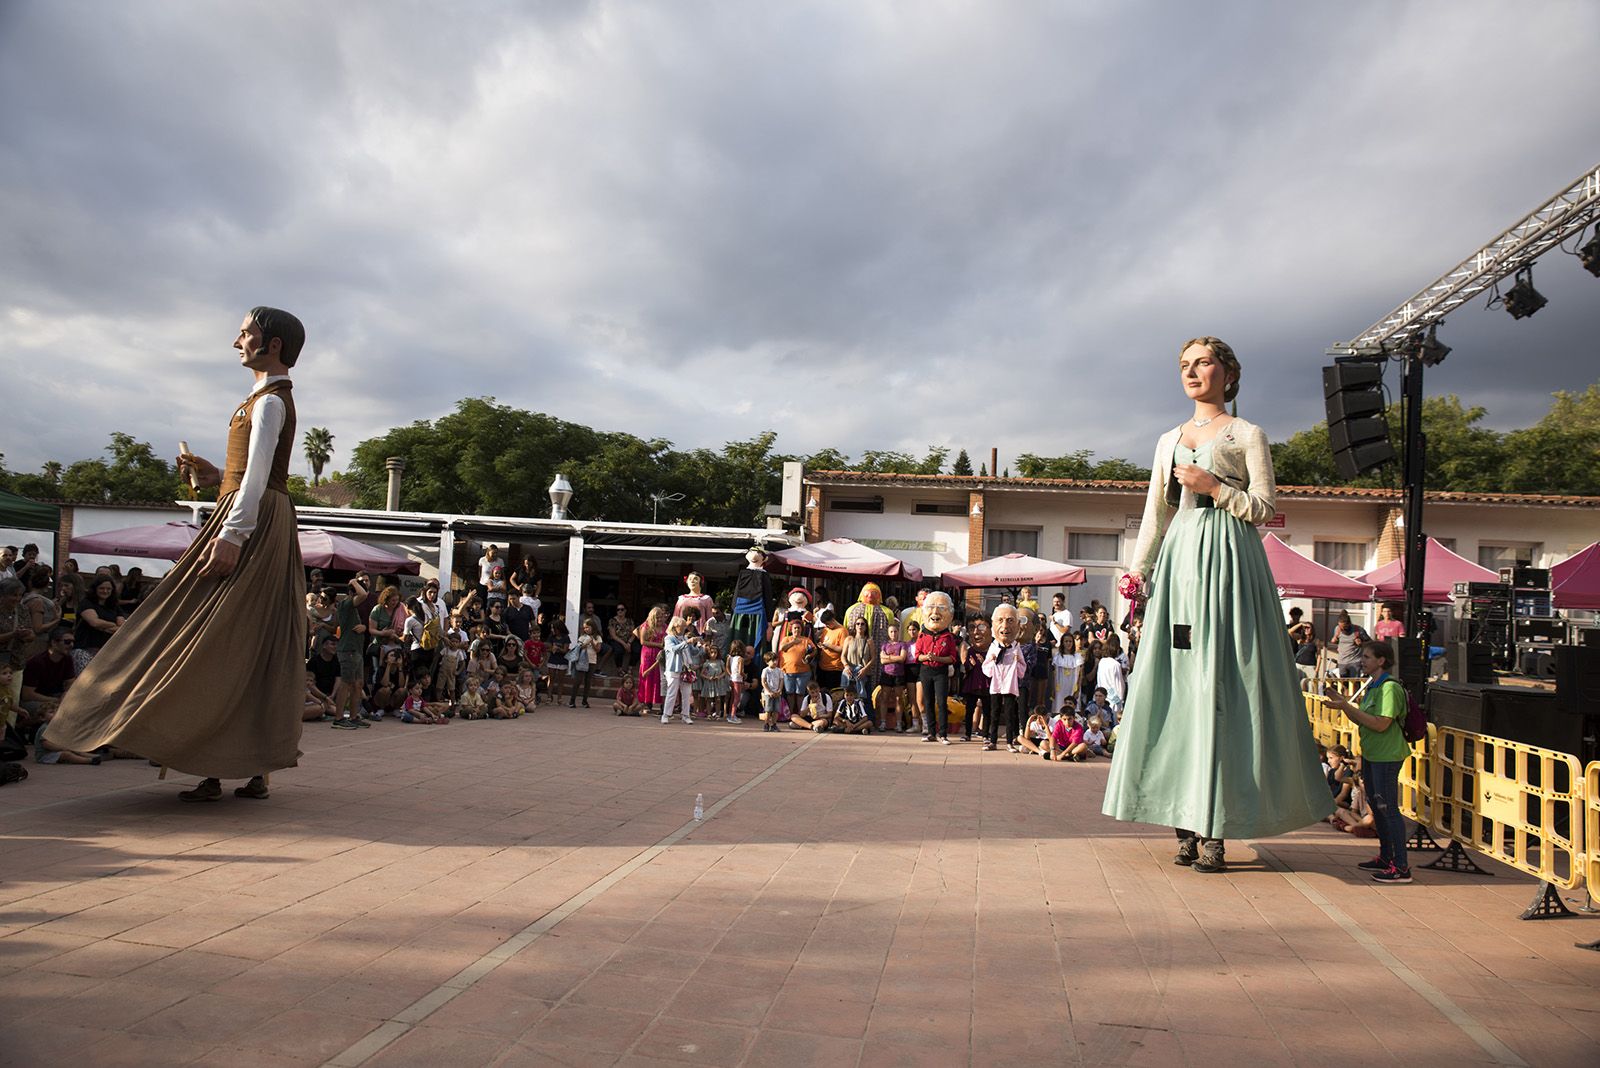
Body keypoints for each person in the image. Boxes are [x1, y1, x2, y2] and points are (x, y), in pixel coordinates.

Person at [44, 308, 312, 801]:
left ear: (272, 345)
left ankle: (234, 762)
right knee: (226, 641)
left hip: (253, 522)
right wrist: (214, 476)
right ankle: (217, 761)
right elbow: (248, 472)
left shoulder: (271, 402)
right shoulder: (257, 401)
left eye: (246, 333)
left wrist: (231, 535)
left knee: (220, 638)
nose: (237, 340)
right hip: (249, 511)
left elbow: (258, 479)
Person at [1102, 336, 1332, 872]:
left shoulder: (1248, 434)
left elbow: (1266, 508)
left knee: (1225, 687)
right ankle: (1184, 819)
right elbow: (1156, 516)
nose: (1191, 371)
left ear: (1228, 373)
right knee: (1181, 689)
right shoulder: (1167, 440)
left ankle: (1217, 826)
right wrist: (1138, 573)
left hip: (1232, 564)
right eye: (1184, 364)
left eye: (1202, 362)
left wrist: (1214, 486)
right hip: (1181, 567)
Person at [1324, 641, 1413, 883]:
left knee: (1388, 809)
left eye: (1367, 657)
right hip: (1373, 754)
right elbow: (1364, 720)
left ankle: (1401, 866)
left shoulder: (1389, 688)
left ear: (1381, 660)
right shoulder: (1372, 686)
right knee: (1378, 806)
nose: (1362, 660)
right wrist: (1343, 705)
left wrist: (1345, 706)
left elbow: (1380, 723)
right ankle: (1386, 857)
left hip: (1387, 755)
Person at [913, 592, 959, 744]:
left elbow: (952, 658)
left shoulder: (948, 637)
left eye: (940, 607)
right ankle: (931, 732)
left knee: (941, 702)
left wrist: (937, 658)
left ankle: (943, 733)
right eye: (931, 607)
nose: (935, 612)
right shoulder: (922, 635)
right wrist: (926, 657)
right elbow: (917, 655)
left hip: (941, 671)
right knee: (928, 701)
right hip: (926, 670)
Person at [982, 604, 1026, 752]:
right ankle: (992, 741)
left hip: (1010, 685)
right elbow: (985, 668)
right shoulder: (994, 646)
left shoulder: (1016, 647)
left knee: (1009, 714)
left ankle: (1009, 742)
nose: (1005, 626)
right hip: (996, 685)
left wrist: (1016, 662)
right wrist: (992, 660)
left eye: (1010, 620)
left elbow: (1022, 669)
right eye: (1000, 620)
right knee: (994, 713)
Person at [73, 577, 124, 672]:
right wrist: (112, 624)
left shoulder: (115, 606)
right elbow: (94, 622)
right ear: (95, 589)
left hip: (106, 651)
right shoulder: (86, 603)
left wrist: (103, 627)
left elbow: (123, 627)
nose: (105, 591)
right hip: (85, 649)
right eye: (101, 588)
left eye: (108, 589)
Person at [730, 546, 774, 651]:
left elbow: (768, 597)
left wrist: (769, 621)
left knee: (756, 640)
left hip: (758, 611)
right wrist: (733, 611)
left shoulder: (764, 575)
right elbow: (736, 592)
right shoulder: (743, 573)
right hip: (740, 610)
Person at [776, 617, 815, 719]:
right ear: (791, 629)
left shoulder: (806, 640)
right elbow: (782, 648)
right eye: (795, 628)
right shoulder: (786, 639)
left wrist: (809, 656)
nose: (797, 630)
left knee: (800, 693)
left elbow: (814, 650)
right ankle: (790, 713)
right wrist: (794, 642)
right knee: (790, 693)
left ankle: (799, 713)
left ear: (801, 629)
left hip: (803, 671)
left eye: (798, 628)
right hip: (788, 671)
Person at [660, 617, 696, 725]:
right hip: (674, 668)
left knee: (687, 693)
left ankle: (686, 715)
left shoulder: (684, 637)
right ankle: (666, 715)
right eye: (682, 626)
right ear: (675, 626)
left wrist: (699, 645)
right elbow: (673, 649)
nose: (685, 628)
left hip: (686, 669)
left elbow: (693, 652)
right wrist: (687, 642)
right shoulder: (669, 638)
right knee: (672, 692)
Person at [877, 622, 909, 733]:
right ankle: (883, 722)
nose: (893, 633)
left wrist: (888, 657)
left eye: (895, 631)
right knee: (884, 698)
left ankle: (899, 723)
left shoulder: (902, 644)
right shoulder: (884, 644)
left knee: (898, 699)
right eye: (891, 631)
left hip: (898, 674)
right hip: (886, 674)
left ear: (898, 632)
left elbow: (902, 658)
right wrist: (895, 657)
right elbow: (882, 660)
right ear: (888, 633)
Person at [636, 606, 667, 716]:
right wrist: (658, 645)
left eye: (661, 617)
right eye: (657, 618)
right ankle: (646, 703)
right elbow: (643, 641)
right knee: (648, 677)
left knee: (658, 678)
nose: (659, 620)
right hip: (648, 654)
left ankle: (660, 703)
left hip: (660, 655)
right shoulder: (646, 626)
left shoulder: (665, 627)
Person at [840, 616, 877, 698]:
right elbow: (843, 655)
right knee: (848, 697)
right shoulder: (849, 639)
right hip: (850, 672)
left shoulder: (869, 641)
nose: (860, 626)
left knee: (864, 700)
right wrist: (846, 666)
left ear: (866, 627)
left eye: (862, 624)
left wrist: (865, 669)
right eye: (858, 624)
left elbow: (873, 657)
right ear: (855, 626)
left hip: (863, 673)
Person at [1051, 633, 1084, 717]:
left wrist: (1078, 689)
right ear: (1062, 643)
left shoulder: (1077, 656)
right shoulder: (1057, 656)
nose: (1068, 643)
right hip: (1060, 686)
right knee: (1059, 708)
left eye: (1070, 641)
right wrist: (1053, 689)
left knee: (1073, 709)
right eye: (1066, 641)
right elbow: (1054, 674)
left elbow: (1080, 674)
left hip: (1073, 685)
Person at [570, 619, 600, 707]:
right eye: (584, 628)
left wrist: (592, 642)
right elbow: (579, 648)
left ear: (592, 627)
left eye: (588, 627)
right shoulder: (582, 637)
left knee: (588, 681)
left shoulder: (597, 637)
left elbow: (598, 649)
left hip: (592, 661)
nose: (586, 629)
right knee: (578, 680)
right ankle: (572, 701)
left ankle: (585, 701)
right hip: (582, 661)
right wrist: (585, 644)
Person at [1332, 610, 1368, 679]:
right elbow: (1338, 641)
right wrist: (1334, 640)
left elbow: (1370, 643)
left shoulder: (1358, 630)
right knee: (1343, 684)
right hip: (1342, 661)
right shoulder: (1337, 629)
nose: (1342, 629)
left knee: (1354, 683)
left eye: (1344, 627)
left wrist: (1361, 643)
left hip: (1355, 661)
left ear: (1349, 624)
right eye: (1340, 627)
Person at [759, 649, 784, 731]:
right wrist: (769, 691)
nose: (775, 662)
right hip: (768, 694)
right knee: (768, 710)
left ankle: (774, 724)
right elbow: (763, 681)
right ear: (767, 662)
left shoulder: (779, 671)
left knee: (776, 710)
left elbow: (781, 681)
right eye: (772, 660)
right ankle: (766, 724)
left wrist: (779, 690)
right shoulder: (765, 670)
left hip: (777, 693)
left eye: (776, 660)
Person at [726, 641, 747, 724]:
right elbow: (740, 671)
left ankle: (730, 714)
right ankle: (733, 715)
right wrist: (744, 676)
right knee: (737, 698)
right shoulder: (740, 659)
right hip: (737, 680)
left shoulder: (729, 657)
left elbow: (727, 668)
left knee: (732, 697)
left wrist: (731, 674)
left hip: (731, 679)